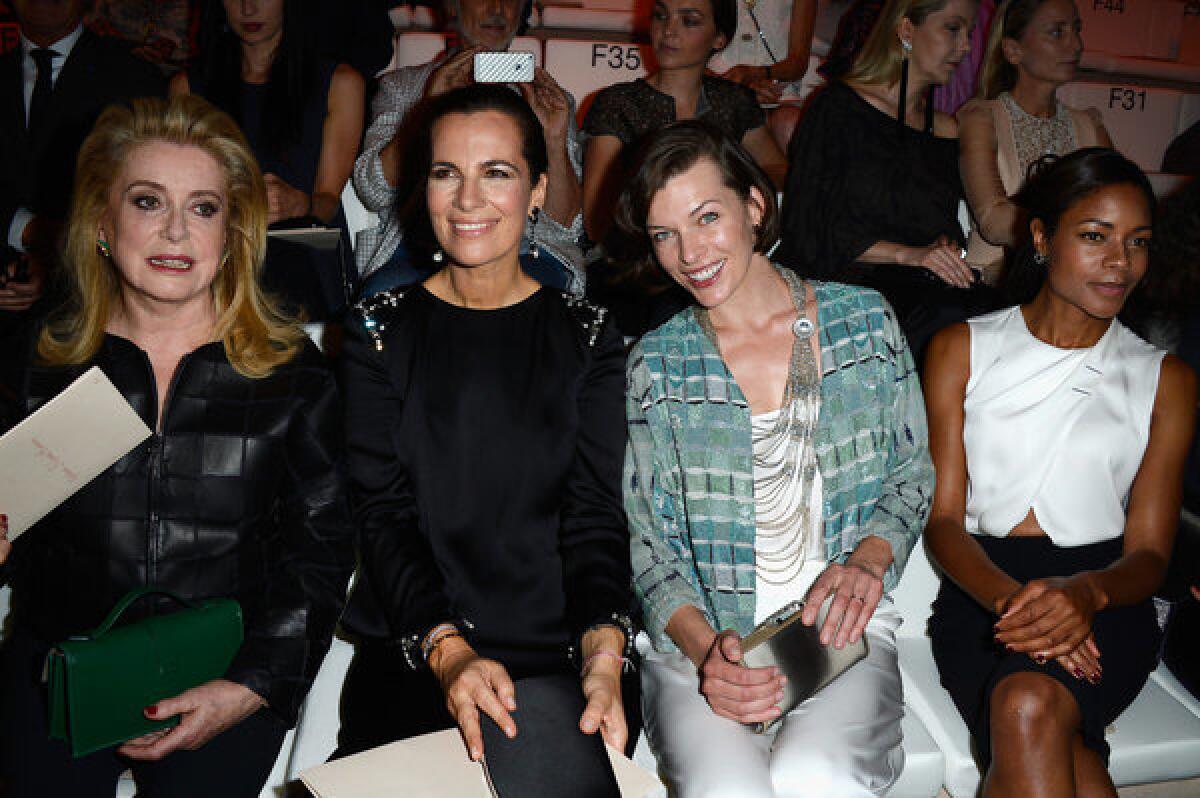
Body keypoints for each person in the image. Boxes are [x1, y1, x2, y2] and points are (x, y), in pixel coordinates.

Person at [0, 94, 355, 798]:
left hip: (227, 676)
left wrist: (252, 688)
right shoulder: (36, 366)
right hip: (59, 672)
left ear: (232, 233)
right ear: (101, 220)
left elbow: (320, 557)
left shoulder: (293, 376)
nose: (174, 231)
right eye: (146, 201)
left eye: (202, 208)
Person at [620, 121, 934, 797]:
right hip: (698, 642)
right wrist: (711, 656)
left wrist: (867, 565)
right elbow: (649, 547)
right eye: (663, 234)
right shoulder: (658, 363)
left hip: (837, 632)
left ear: (755, 207)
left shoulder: (865, 322)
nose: (689, 253)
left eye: (707, 217)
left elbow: (910, 476)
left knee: (818, 777)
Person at [337, 85, 634, 777]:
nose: (468, 200)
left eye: (495, 172)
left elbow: (595, 518)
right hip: (417, 644)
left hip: (561, 654)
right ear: (424, 188)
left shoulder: (588, 335)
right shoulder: (376, 331)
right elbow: (381, 513)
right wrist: (449, 652)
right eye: (447, 173)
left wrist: (604, 654)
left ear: (536, 189)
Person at [922, 147, 1196, 798]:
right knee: (1050, 737)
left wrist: (1084, 597)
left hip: (1109, 599)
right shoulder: (961, 348)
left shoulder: (1167, 378)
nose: (1120, 262)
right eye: (1095, 237)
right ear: (1041, 237)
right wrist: (1019, 608)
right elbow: (942, 524)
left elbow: (1152, 554)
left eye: (1138, 242)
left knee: (1024, 709)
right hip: (981, 595)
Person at [777, 0, 992, 361]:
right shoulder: (837, 108)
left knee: (996, 315)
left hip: (916, 289)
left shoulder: (945, 128)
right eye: (952, 29)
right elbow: (807, 227)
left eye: (969, 34)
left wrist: (944, 250)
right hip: (841, 285)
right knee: (950, 320)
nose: (966, 47)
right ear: (907, 31)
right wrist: (909, 255)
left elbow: (939, 226)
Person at [353, 0, 585, 295]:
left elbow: (565, 226)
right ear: (452, 7)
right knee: (386, 296)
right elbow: (371, 189)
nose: (497, 9)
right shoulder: (404, 87)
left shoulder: (550, 101)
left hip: (527, 253)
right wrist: (425, 111)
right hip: (424, 251)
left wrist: (553, 138)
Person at [171, 0, 365, 319]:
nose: (249, 9)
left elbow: (328, 199)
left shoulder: (339, 82)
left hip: (303, 246)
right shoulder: (189, 87)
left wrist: (300, 204)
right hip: (221, 248)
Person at [0, 0, 163, 329]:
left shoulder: (134, 77)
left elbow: (147, 196)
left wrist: (58, 248)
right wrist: (25, 230)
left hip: (98, 303)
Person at [583, 0, 787, 245]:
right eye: (660, 16)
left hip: (721, 244)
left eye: (689, 21)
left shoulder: (734, 101)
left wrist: (731, 192)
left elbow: (778, 171)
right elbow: (597, 219)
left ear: (719, 39)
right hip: (638, 254)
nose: (668, 30)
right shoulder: (618, 103)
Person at [960, 0, 1112, 284]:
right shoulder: (982, 118)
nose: (1076, 45)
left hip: (1073, 287)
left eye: (1077, 30)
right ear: (1013, 50)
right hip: (996, 287)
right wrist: (1080, 234)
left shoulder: (1089, 125)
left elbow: (1115, 210)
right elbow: (993, 220)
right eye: (1057, 32)